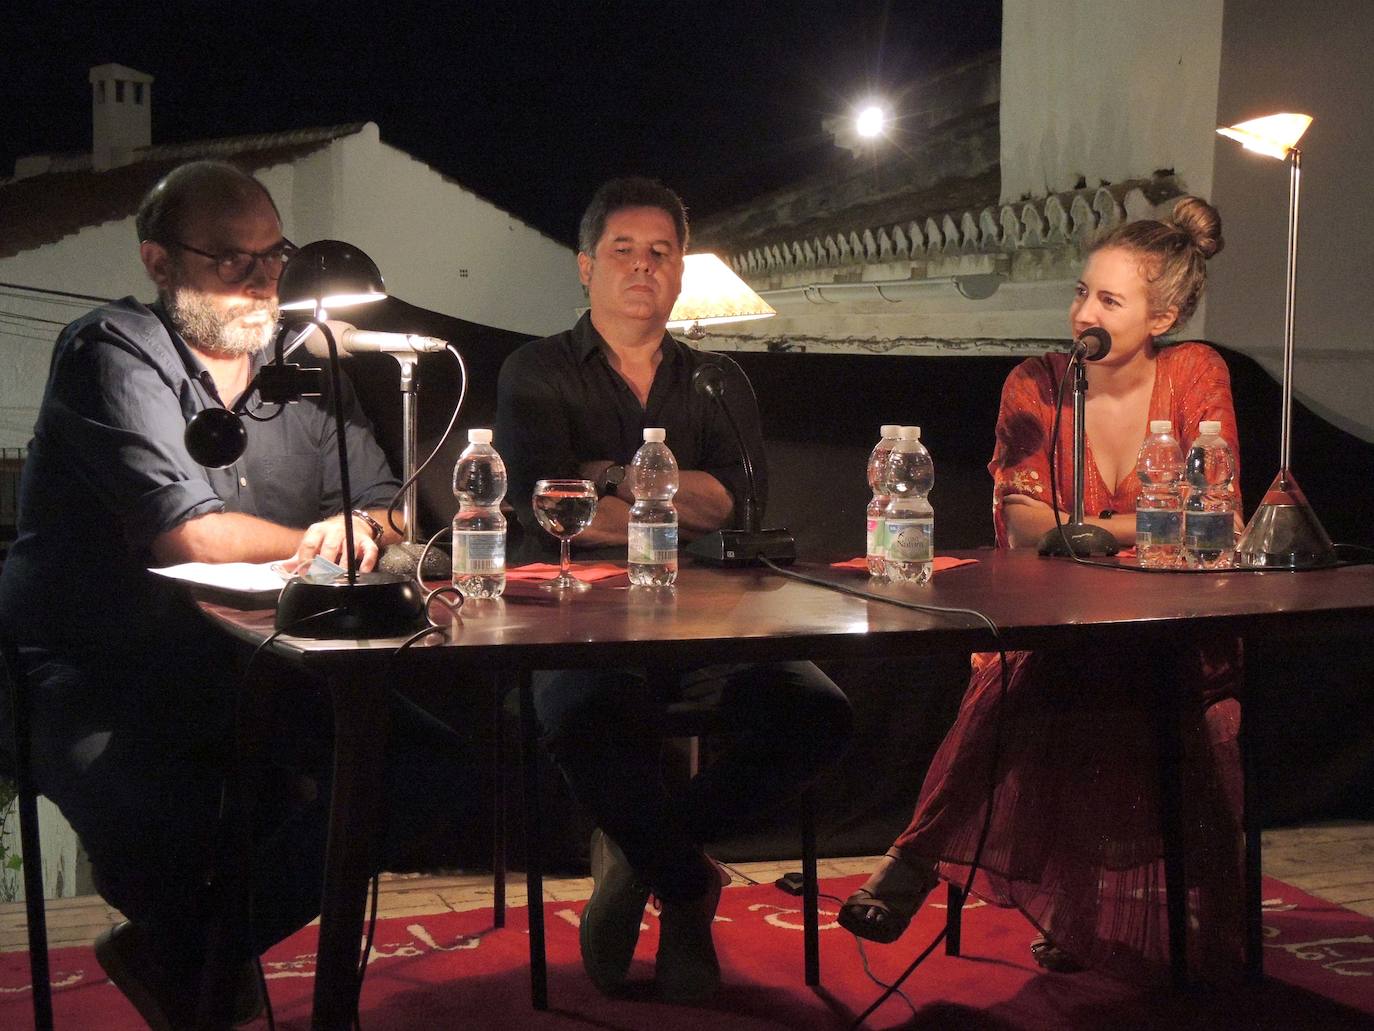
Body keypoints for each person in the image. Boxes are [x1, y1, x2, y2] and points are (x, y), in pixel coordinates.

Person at [0, 161, 479, 1028]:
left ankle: (192, 956)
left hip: (253, 657)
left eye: (274, 256)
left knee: (430, 766)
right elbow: (189, 534)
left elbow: (391, 503)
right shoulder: (109, 351)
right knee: (164, 831)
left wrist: (364, 522)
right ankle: (200, 956)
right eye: (233, 260)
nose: (263, 281)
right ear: (158, 260)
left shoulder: (303, 355)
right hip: (103, 664)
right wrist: (319, 537)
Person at [838, 196, 1245, 984]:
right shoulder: (1038, 382)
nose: (1083, 313)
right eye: (1082, 292)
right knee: (1052, 666)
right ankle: (1023, 896)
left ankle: (916, 861)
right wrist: (1134, 524)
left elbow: (1216, 511)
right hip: (1065, 627)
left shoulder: (1197, 372)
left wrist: (1095, 529)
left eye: (1110, 300)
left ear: (1161, 318)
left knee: (1135, 687)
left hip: (1176, 628)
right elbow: (1025, 523)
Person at [495, 177, 853, 1003]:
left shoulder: (717, 381)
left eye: (661, 252)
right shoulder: (536, 370)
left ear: (682, 271)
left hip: (707, 617)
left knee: (818, 713)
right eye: (622, 249)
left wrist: (609, 476)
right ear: (586, 266)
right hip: (578, 620)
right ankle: (688, 888)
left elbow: (736, 505)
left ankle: (643, 854)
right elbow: (552, 510)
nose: (643, 266)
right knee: (583, 713)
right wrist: (664, 499)